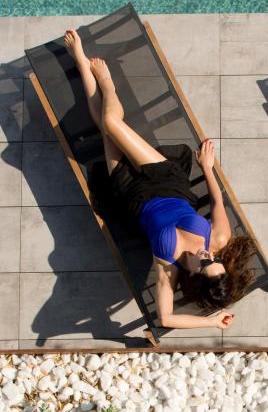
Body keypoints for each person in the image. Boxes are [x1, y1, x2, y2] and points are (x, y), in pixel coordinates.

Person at [64, 29, 255, 329]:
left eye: (205, 263)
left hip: (131, 195)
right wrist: (207, 167)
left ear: (195, 275)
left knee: (104, 126)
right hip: (166, 179)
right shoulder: (218, 239)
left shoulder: (169, 265)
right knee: (113, 122)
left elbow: (165, 318)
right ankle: (107, 82)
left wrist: (214, 322)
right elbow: (218, 200)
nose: (208, 255)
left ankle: (80, 61)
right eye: (216, 260)